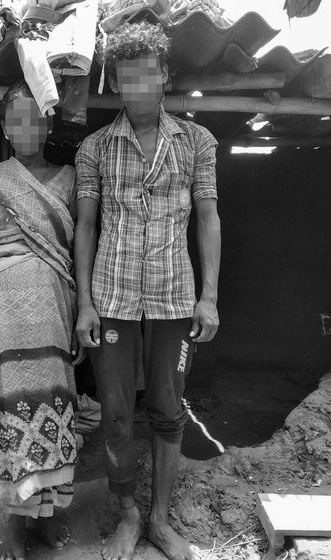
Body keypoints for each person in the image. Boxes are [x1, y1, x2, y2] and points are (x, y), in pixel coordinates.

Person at [74, 21, 221, 560]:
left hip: (173, 298)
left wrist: (208, 297)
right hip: (111, 299)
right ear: (114, 83)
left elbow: (208, 218)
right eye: (125, 77)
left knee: (167, 408)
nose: (136, 87)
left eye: (146, 75)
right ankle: (128, 516)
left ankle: (160, 519)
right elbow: (86, 226)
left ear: (163, 76)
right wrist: (85, 303)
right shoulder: (95, 148)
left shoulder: (197, 142)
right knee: (114, 412)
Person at [0, 83, 85, 560]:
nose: (26, 127)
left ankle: (49, 519)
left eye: (35, 118)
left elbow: (75, 253)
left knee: (51, 413)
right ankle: (16, 525)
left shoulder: (70, 179)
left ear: (48, 124)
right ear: (7, 129)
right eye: (16, 119)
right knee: (11, 415)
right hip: (2, 316)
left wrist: (80, 317)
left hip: (52, 311)